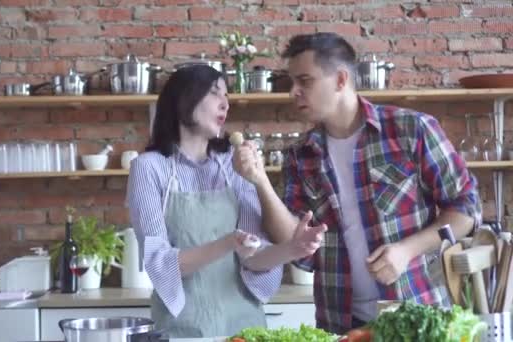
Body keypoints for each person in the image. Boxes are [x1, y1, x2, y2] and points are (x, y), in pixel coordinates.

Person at [233, 32, 482, 334]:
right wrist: (260, 181)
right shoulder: (300, 155)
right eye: (291, 83)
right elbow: (294, 241)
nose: (293, 92)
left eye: (305, 81)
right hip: (340, 323)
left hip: (419, 316)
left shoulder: (411, 130)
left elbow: (466, 208)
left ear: (340, 80)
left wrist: (407, 250)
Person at [126, 65, 326, 338]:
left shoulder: (233, 165)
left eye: (227, 96)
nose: (226, 104)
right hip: (183, 328)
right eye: (214, 93)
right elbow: (161, 264)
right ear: (184, 99)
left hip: (244, 326)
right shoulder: (149, 168)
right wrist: (228, 242)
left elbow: (253, 258)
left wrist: (293, 249)